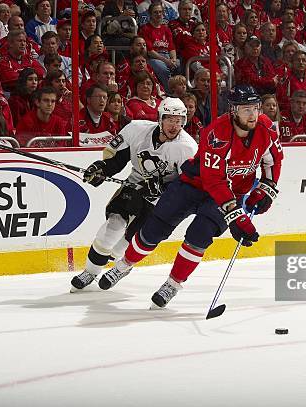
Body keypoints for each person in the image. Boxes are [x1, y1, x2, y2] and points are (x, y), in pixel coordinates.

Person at [90, 85, 283, 308]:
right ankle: (123, 265)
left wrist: (267, 187)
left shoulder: (266, 128)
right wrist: (236, 216)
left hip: (230, 193)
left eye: (255, 108)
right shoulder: (216, 133)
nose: (253, 115)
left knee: (199, 236)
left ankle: (173, 283)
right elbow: (214, 180)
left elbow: (273, 160)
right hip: (194, 185)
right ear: (233, 111)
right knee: (152, 231)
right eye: (246, 109)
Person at [70, 98, 198, 292]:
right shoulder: (136, 130)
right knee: (112, 226)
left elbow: (187, 185)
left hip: (162, 199)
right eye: (170, 119)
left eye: (179, 120)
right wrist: (102, 169)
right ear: (160, 118)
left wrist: (164, 188)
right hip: (134, 184)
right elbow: (117, 160)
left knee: (129, 240)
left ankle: (119, 266)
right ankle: (91, 271)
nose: (175, 125)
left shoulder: (187, 147)